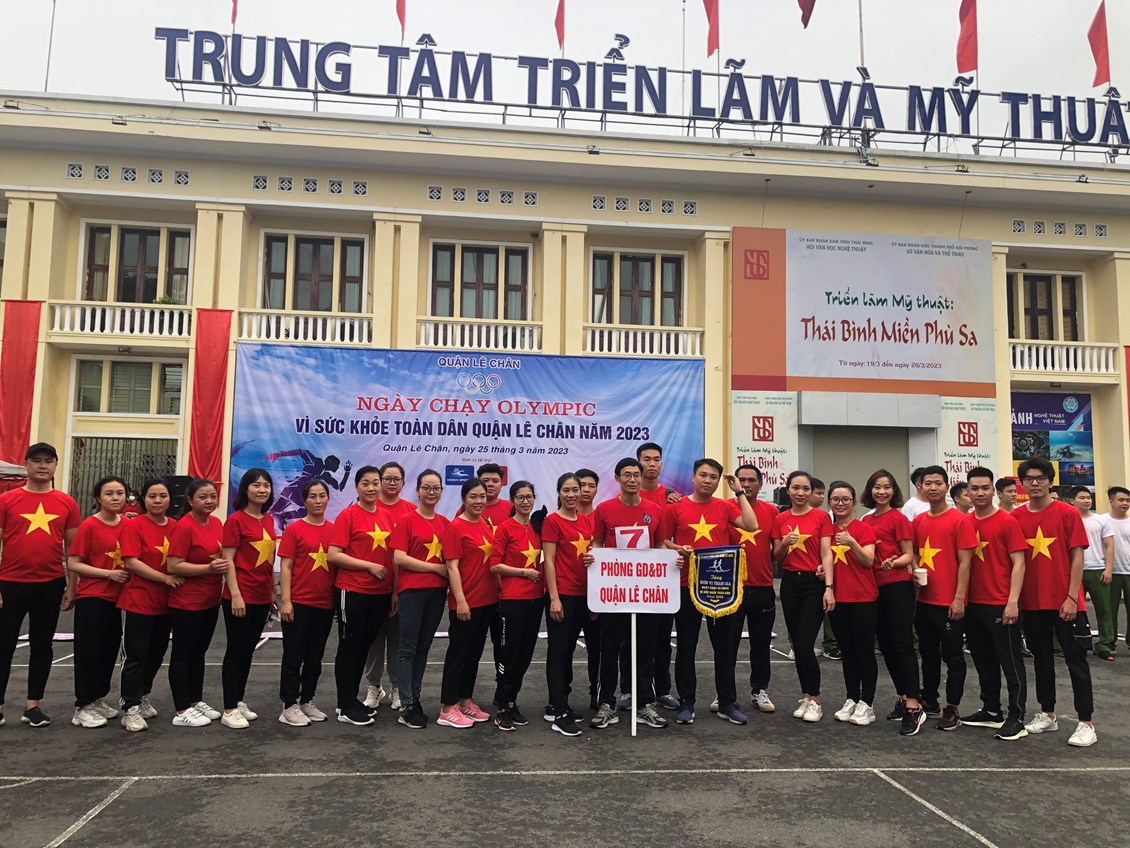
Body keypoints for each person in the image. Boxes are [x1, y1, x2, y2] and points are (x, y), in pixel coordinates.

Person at [663, 458, 757, 726]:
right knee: (686, 646)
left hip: (720, 586)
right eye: (703, 475)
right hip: (686, 585)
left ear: (718, 482)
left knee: (724, 647)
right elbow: (663, 540)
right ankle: (686, 702)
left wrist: (739, 492)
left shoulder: (725, 506)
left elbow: (751, 525)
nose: (707, 480)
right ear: (693, 477)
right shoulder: (675, 508)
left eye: (713, 477)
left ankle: (727, 702)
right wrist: (677, 549)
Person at [1013, 458, 1096, 747]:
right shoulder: (1016, 517)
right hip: (1032, 603)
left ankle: (1086, 722)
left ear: (1050, 481)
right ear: (1022, 484)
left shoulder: (1067, 513)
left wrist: (1072, 597)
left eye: (1040, 478)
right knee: (1042, 659)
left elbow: (1077, 556)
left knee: (1076, 661)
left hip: (1065, 602)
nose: (1035, 483)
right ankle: (1047, 713)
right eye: (1029, 479)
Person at [0, 443, 80, 728]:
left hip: (50, 583)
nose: (43, 465)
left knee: (42, 645)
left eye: (48, 461)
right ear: (26, 465)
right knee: (3, 645)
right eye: (37, 460)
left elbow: (73, 550)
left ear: (56, 465)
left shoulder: (67, 503)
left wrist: (72, 586)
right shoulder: (7, 500)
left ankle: (33, 705)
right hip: (9, 583)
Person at [963, 468, 1029, 742]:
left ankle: (1017, 717)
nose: (980, 493)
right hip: (972, 604)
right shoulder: (965, 522)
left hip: (1000, 604)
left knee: (1010, 662)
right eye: (974, 488)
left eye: (985, 488)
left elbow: (1019, 563)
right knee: (983, 660)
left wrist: (1012, 602)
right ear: (967, 492)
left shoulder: (1007, 522)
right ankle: (991, 710)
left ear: (993, 490)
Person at [327, 466, 395, 727]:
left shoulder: (386, 516)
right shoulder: (348, 515)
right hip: (353, 590)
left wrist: (393, 591)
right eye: (365, 483)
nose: (371, 488)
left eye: (375, 483)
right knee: (349, 648)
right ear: (356, 487)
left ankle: (352, 700)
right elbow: (334, 555)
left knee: (364, 647)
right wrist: (368, 566)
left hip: (380, 593)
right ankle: (345, 705)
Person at [911, 465, 976, 731]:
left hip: (949, 602)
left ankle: (953, 706)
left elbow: (966, 562)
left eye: (938, 483)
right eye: (928, 483)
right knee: (927, 654)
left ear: (947, 486)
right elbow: (914, 553)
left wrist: (959, 598)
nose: (933, 488)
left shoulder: (960, 520)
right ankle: (930, 699)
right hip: (924, 600)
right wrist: (915, 569)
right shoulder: (919, 521)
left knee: (953, 657)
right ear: (920, 487)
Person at [860, 470, 925, 735]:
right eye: (877, 487)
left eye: (887, 487)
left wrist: (894, 563)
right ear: (870, 491)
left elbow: (909, 555)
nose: (882, 492)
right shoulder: (865, 520)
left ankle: (914, 705)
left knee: (901, 644)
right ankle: (903, 696)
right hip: (872, 589)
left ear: (894, 491)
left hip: (897, 587)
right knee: (886, 645)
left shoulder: (899, 519)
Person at [119, 479, 183, 731]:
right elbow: (131, 562)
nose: (157, 501)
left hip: (167, 603)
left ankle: (144, 694)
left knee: (156, 653)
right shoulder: (134, 525)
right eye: (152, 496)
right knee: (135, 656)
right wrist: (164, 578)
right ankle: (130, 707)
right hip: (138, 601)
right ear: (143, 499)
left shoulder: (176, 526)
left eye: (162, 496)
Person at [390, 469, 452, 730]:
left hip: (436, 594)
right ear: (417, 490)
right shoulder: (406, 520)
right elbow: (399, 558)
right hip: (412, 592)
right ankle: (406, 705)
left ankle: (414, 699)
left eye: (436, 488)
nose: (431, 492)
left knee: (424, 647)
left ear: (441, 491)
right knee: (407, 649)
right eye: (426, 488)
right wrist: (435, 568)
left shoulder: (445, 523)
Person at [67, 476, 131, 728]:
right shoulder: (89, 526)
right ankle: (82, 706)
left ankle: (97, 698)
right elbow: (74, 562)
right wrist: (108, 574)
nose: (115, 498)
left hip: (120, 599)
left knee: (108, 652)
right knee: (89, 652)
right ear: (98, 498)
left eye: (120, 493)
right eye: (109, 493)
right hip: (93, 597)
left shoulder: (128, 524)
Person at [772, 471, 834, 722]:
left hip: (813, 584)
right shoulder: (780, 518)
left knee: (805, 644)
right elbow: (777, 557)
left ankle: (815, 699)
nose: (800, 493)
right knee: (797, 645)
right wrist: (785, 543)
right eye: (796, 488)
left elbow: (827, 553)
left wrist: (829, 586)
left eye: (806, 488)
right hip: (789, 584)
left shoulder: (821, 517)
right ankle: (806, 696)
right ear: (787, 490)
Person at [219, 468, 278, 729]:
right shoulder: (235, 521)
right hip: (240, 596)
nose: (262, 490)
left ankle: (239, 699)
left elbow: (268, 562)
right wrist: (235, 595)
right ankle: (229, 708)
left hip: (261, 597)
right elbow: (228, 561)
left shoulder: (268, 519)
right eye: (256, 485)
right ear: (245, 489)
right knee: (236, 650)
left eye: (266, 485)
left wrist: (272, 593)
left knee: (247, 651)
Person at [167, 479, 228, 727]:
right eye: (203, 497)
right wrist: (208, 569)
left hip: (210, 600)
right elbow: (173, 565)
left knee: (199, 653)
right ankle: (182, 709)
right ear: (190, 500)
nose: (209, 501)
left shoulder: (216, 523)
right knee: (183, 654)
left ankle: (195, 700)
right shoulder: (184, 527)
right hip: (187, 602)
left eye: (212, 496)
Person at [437, 478, 497, 729]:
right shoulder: (455, 527)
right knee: (458, 655)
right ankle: (447, 707)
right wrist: (460, 601)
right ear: (463, 499)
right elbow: (451, 567)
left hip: (487, 600)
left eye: (482, 496)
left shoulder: (485, 523)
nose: (479, 501)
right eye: (473, 496)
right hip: (466, 602)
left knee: (473, 655)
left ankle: (464, 700)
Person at [277, 480, 336, 727]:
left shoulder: (334, 530)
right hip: (299, 602)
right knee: (293, 655)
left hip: (325, 604)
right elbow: (286, 567)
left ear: (328, 499)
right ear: (304, 500)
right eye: (312, 496)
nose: (318, 501)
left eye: (322, 496)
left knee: (315, 656)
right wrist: (286, 601)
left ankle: (307, 700)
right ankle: (288, 704)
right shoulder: (294, 530)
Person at [543, 474, 597, 736]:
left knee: (570, 652)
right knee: (559, 652)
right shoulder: (552, 521)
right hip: (563, 594)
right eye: (566, 490)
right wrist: (554, 598)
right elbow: (549, 561)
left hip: (585, 596)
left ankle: (562, 703)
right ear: (559, 492)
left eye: (576, 489)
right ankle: (557, 710)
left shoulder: (587, 521)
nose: (572, 494)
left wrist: (596, 596)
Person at [491, 480, 545, 730]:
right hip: (513, 601)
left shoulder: (538, 527)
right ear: (512, 500)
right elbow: (494, 564)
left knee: (524, 655)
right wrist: (524, 572)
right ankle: (502, 706)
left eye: (529, 497)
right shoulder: (505, 527)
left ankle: (512, 701)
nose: (526, 501)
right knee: (509, 655)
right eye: (520, 497)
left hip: (535, 600)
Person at [825, 482, 879, 726]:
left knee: (864, 651)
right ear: (829, 503)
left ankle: (867, 703)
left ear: (853, 502)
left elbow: (868, 560)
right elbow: (825, 559)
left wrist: (851, 542)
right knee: (847, 652)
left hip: (863, 598)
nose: (840, 504)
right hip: (839, 599)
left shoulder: (863, 528)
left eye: (845, 499)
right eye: (836, 499)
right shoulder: (826, 530)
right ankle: (852, 697)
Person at [730, 464, 782, 715]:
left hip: (762, 586)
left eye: (751, 480)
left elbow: (777, 550)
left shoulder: (771, 511)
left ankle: (759, 690)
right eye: (741, 480)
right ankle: (725, 693)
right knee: (727, 644)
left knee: (761, 645)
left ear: (761, 484)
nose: (746, 484)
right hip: (731, 588)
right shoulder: (725, 508)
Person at [363, 461, 414, 711]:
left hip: (402, 589)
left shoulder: (411, 511)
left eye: (397, 479)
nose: (392, 483)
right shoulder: (367, 507)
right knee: (373, 639)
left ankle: (396, 686)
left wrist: (397, 590)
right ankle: (374, 685)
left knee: (397, 640)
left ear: (403, 483)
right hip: (371, 588)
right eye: (387, 479)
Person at [635, 443, 680, 711]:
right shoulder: (629, 494)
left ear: (662, 464)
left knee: (663, 639)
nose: (651, 464)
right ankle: (630, 690)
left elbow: (671, 536)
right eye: (646, 459)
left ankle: (662, 690)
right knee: (631, 639)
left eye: (656, 459)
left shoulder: (672, 497)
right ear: (638, 463)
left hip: (664, 580)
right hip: (633, 580)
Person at [1075, 487, 1115, 661]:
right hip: (1075, 571)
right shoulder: (1068, 519)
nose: (1086, 500)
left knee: (1104, 609)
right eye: (1082, 497)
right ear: (1072, 500)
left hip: (1097, 570)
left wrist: (1108, 569)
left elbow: (1109, 545)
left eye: (1088, 497)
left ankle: (1105, 645)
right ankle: (1074, 642)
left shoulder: (1100, 520)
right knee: (1073, 609)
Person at [575, 468, 602, 709]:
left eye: (591, 485)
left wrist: (600, 600)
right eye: (581, 485)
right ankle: (560, 699)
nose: (586, 490)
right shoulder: (559, 518)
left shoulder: (602, 517)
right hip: (569, 595)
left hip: (597, 599)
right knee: (562, 651)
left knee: (598, 651)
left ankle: (598, 693)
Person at [1103, 486, 1130, 658]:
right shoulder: (1102, 521)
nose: (1125, 503)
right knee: (1109, 609)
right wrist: (1107, 568)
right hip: (1110, 572)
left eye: (1128, 500)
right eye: (1121, 500)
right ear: (1111, 501)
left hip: (1129, 571)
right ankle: (1108, 642)